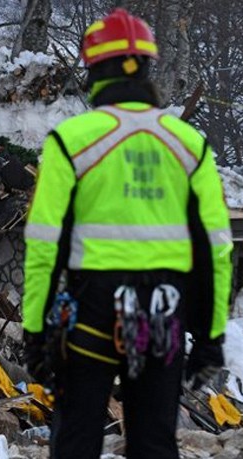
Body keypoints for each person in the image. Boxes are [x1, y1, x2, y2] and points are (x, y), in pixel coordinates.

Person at [21, 8, 232, 459]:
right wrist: (209, 338)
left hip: (92, 310)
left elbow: (43, 248)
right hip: (165, 311)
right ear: (148, 67)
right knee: (155, 442)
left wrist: (35, 332)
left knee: (76, 437)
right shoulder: (189, 146)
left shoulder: (70, 140)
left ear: (95, 70)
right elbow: (215, 250)